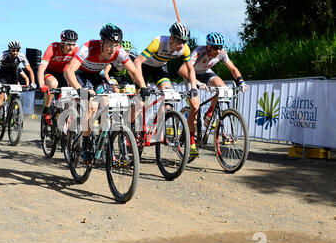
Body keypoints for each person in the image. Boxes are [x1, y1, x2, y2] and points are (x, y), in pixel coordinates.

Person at [64, 23, 148, 162]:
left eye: (115, 45)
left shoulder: (119, 51)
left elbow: (133, 70)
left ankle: (102, 137)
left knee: (107, 102)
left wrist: (143, 86)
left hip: (97, 76)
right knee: (92, 105)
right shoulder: (88, 47)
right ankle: (85, 144)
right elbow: (69, 71)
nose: (112, 49)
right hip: (81, 75)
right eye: (109, 44)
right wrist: (79, 89)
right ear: (102, 42)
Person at [133, 22, 200, 158]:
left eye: (184, 42)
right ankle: (132, 128)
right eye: (179, 41)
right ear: (171, 38)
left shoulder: (185, 48)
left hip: (160, 69)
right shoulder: (157, 42)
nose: (181, 45)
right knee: (140, 102)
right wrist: (143, 86)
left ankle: (157, 127)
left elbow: (190, 68)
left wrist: (193, 87)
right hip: (144, 68)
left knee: (168, 99)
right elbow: (137, 62)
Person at [191, 32, 248, 129]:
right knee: (195, 108)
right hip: (192, 74)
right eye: (216, 48)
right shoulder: (198, 52)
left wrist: (241, 81)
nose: (218, 50)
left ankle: (209, 114)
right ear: (208, 47)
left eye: (220, 47)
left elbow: (233, 68)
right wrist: (197, 83)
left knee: (222, 88)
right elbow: (188, 69)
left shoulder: (222, 53)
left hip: (205, 72)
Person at [37, 30, 79, 125]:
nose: (71, 47)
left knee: (65, 99)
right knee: (53, 84)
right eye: (69, 44)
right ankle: (46, 110)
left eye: (73, 44)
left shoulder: (75, 50)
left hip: (63, 74)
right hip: (49, 72)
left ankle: (60, 122)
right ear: (62, 43)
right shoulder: (53, 47)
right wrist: (41, 84)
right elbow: (41, 67)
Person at [0, 40, 35, 124]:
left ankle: (12, 115)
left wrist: (32, 82)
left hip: (13, 77)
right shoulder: (3, 55)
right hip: (2, 76)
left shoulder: (21, 56)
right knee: (1, 96)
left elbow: (29, 70)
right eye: (13, 50)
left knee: (15, 96)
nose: (15, 52)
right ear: (9, 49)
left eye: (17, 50)